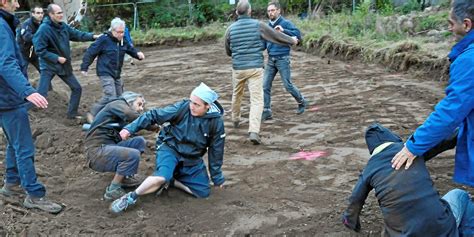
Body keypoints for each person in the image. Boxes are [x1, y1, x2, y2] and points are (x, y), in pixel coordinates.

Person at [391, 0, 474, 188]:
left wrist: (413, 146)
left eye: (451, 23)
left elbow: (451, 112)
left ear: (466, 24)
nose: (449, 28)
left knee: (460, 202)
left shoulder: (470, 60)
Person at [109, 82, 225, 213]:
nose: (191, 106)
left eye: (196, 104)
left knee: (203, 192)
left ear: (207, 106)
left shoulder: (216, 123)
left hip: (191, 157)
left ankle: (172, 181)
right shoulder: (182, 107)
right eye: (191, 102)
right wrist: (129, 129)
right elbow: (152, 115)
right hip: (170, 148)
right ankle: (130, 197)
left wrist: (217, 177)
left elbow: (216, 151)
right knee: (161, 177)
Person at [342, 123, 468, 236]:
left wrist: (350, 221)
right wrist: (464, 131)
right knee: (460, 195)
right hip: (440, 229)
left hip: (405, 233)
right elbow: (442, 141)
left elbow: (355, 200)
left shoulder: (370, 168)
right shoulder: (409, 151)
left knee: (391, 226)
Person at [0, 0, 62, 214]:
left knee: (13, 142)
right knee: (24, 147)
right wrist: (27, 90)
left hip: (4, 97)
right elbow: (6, 63)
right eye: (14, 0)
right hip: (8, 98)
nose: (18, 4)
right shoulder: (1, 26)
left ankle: (12, 183)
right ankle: (35, 195)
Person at [224, 0, 298, 145]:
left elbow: (228, 50)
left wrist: (238, 54)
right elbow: (276, 36)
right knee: (257, 100)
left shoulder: (230, 29)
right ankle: (253, 131)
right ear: (249, 11)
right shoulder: (259, 25)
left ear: (237, 12)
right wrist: (292, 40)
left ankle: (235, 118)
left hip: (238, 68)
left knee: (236, 93)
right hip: (255, 68)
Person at [33, 3, 100, 119]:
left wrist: (93, 37)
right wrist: (56, 58)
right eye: (58, 13)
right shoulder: (44, 29)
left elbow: (78, 35)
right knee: (42, 93)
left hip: (63, 66)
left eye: (61, 12)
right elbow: (39, 50)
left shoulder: (63, 26)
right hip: (49, 66)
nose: (61, 15)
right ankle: (30, 114)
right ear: (51, 15)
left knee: (77, 88)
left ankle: (71, 115)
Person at [84, 91, 147, 201]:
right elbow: (130, 115)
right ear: (129, 102)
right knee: (132, 155)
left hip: (109, 146)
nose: (141, 108)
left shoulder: (120, 113)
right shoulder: (117, 104)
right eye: (139, 104)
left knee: (139, 141)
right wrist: (151, 123)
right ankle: (113, 189)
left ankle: (125, 177)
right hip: (97, 151)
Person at [81, 17, 145, 119]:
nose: (121, 35)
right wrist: (84, 67)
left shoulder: (122, 41)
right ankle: (92, 114)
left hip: (116, 73)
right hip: (105, 72)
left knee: (120, 98)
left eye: (122, 32)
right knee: (110, 96)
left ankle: (115, 117)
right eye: (119, 32)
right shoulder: (104, 39)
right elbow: (90, 52)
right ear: (112, 30)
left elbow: (130, 49)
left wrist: (137, 54)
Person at [262, 2, 306, 121]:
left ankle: (301, 101)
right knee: (265, 85)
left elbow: (298, 35)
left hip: (283, 58)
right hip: (271, 59)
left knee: (288, 85)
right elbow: (264, 44)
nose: (270, 13)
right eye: (269, 11)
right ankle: (266, 110)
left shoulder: (285, 23)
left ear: (278, 11)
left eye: (272, 10)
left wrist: (283, 30)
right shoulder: (267, 26)